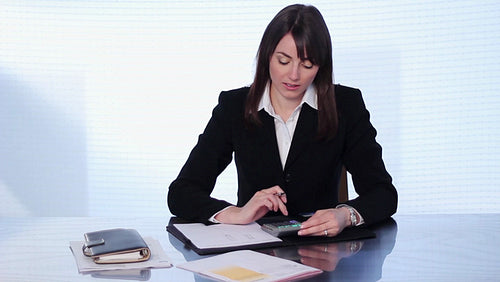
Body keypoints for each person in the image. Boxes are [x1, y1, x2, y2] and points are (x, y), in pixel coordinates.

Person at [168, 4, 397, 237]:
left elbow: (383, 193)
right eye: (284, 61)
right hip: (255, 258)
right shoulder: (234, 106)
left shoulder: (346, 105)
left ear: (321, 65)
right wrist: (235, 213)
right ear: (267, 55)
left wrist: (345, 215)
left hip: (321, 254)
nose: (294, 75)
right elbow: (182, 192)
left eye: (307, 64)